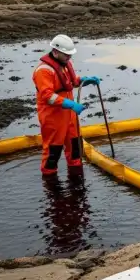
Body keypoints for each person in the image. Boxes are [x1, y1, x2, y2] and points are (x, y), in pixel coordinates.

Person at [32, 34, 101, 177]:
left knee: (75, 145)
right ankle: (50, 179)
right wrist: (69, 103)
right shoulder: (43, 70)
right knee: (53, 149)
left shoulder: (65, 64)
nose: (69, 57)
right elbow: (47, 96)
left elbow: (70, 82)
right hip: (53, 116)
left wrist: (84, 80)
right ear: (55, 52)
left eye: (70, 54)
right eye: (66, 54)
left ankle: (76, 174)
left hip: (69, 114)